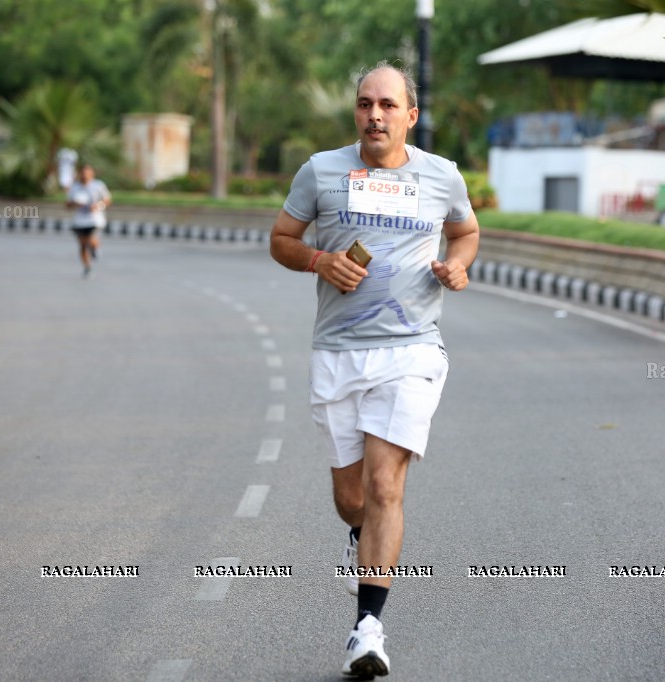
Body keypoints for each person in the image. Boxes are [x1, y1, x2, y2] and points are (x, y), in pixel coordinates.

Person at [269, 61, 479, 678]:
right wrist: (317, 261)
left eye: (388, 105)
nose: (375, 115)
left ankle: (368, 628)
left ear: (410, 116)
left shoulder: (441, 176)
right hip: (338, 351)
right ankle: (361, 535)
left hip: (412, 349)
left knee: (387, 485)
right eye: (365, 104)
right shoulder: (321, 171)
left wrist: (457, 266)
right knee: (353, 497)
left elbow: (464, 233)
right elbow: (281, 238)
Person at [65, 163, 111, 278]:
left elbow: (107, 200)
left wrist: (97, 206)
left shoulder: (98, 185)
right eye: (83, 173)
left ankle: (95, 249)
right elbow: (67, 205)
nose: (85, 176)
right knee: (82, 245)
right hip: (80, 220)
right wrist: (74, 203)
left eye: (87, 173)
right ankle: (87, 267)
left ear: (92, 174)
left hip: (94, 220)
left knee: (91, 240)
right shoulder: (74, 187)